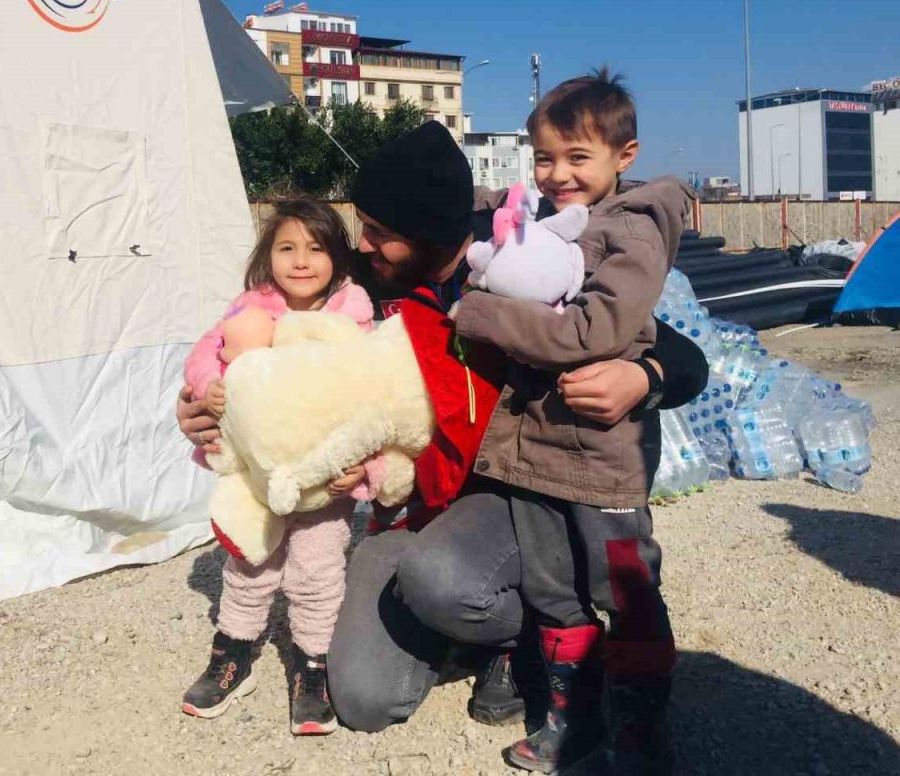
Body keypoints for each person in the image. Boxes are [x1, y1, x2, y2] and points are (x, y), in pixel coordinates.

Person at [175, 123, 707, 748]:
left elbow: (682, 356)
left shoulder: (520, 266)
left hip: (509, 497)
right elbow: (257, 327)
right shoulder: (367, 284)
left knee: (440, 581)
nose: (362, 245)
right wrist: (203, 403)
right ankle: (479, 629)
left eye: (379, 231)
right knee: (365, 698)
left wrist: (644, 376)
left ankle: (522, 638)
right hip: (410, 503)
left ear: (426, 231)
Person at [450, 69, 684, 775]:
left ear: (625, 155)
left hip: (605, 459)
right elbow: (489, 208)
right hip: (538, 452)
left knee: (625, 587)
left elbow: (593, 331)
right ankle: (572, 716)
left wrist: (480, 312)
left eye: (578, 157)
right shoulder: (547, 220)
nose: (557, 175)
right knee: (553, 591)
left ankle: (639, 726)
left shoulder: (634, 229)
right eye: (545, 158)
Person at [179, 198, 374, 736]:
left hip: (321, 482)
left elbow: (371, 400)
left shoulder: (352, 319)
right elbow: (204, 353)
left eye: (316, 248)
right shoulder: (250, 310)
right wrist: (207, 385)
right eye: (287, 248)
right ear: (268, 257)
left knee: (317, 571)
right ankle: (235, 650)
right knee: (250, 561)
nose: (301, 261)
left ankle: (312, 666)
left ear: (337, 257)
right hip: (258, 477)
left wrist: (363, 468)